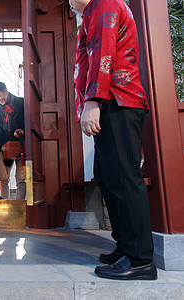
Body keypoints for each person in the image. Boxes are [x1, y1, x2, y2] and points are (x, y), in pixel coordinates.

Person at [69, 0, 157, 280]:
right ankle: (124, 247)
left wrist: (92, 100)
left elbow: (102, 54)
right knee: (107, 175)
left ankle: (140, 259)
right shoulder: (95, 10)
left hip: (117, 99)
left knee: (123, 177)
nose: (70, 3)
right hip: (111, 101)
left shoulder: (104, 3)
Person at [0, 82, 26, 199]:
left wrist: (22, 131)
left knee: (21, 178)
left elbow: (29, 121)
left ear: (6, 91)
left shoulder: (22, 102)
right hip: (5, 147)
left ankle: (20, 206)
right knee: (4, 178)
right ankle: (4, 205)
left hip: (21, 144)